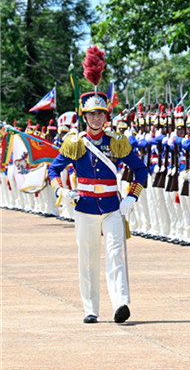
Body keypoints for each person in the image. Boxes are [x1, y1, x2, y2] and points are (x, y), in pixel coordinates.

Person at [48, 91, 148, 324]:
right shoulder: (75, 143)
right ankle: (90, 308)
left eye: (100, 114)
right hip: (84, 207)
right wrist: (62, 191)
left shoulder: (116, 142)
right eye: (92, 114)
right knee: (88, 257)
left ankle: (120, 303)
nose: (96, 119)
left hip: (113, 206)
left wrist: (132, 197)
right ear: (85, 117)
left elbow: (141, 169)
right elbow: (53, 170)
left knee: (116, 255)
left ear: (106, 117)